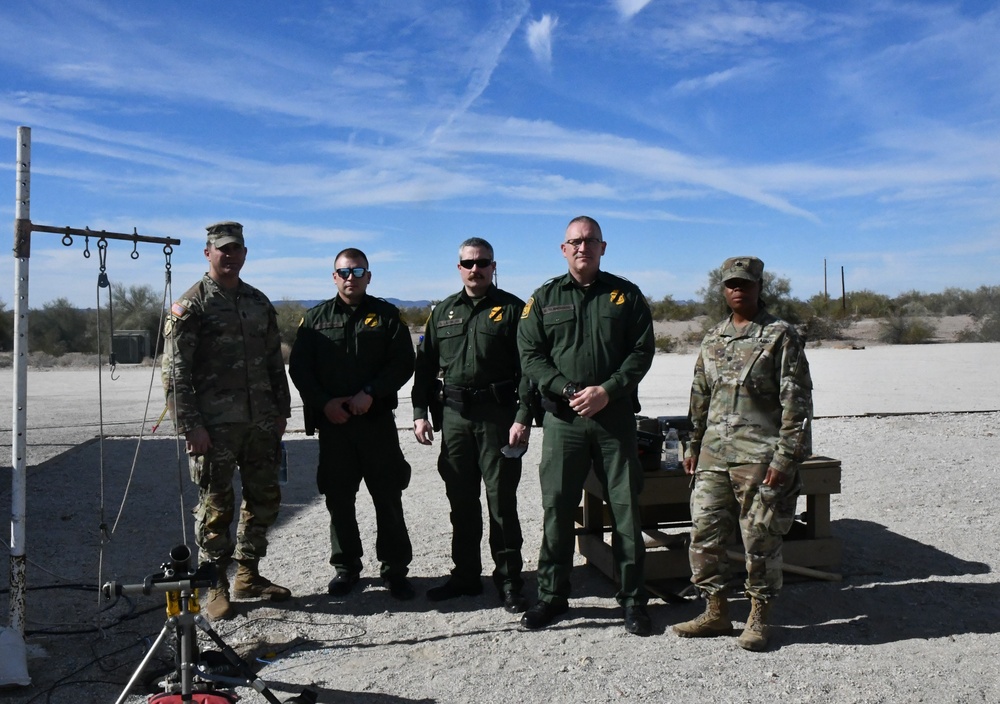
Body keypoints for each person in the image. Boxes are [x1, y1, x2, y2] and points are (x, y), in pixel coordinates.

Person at [516, 215, 655, 636]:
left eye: (590, 240)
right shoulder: (543, 298)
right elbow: (530, 354)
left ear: (603, 247)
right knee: (557, 509)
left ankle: (633, 600)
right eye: (574, 241)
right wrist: (566, 388)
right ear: (563, 249)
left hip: (613, 419)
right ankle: (553, 596)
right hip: (563, 420)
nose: (582, 247)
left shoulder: (625, 295)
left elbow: (641, 351)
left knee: (626, 511)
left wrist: (608, 391)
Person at [672, 256, 813, 651]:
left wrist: (785, 459)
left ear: (759, 287)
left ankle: (759, 616)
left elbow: (797, 404)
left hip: (760, 457)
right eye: (732, 284)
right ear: (723, 289)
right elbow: (699, 397)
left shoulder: (779, 335)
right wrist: (692, 445)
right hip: (714, 456)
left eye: (746, 284)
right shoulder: (713, 338)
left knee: (760, 538)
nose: (739, 290)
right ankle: (716, 612)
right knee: (704, 535)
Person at [162, 221, 292, 621]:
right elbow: (175, 371)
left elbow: (274, 361)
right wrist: (191, 426)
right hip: (214, 428)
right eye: (222, 249)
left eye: (236, 249)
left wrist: (282, 411)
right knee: (216, 506)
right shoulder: (193, 305)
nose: (229, 255)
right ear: (208, 253)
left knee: (265, 498)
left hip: (260, 422)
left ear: (244, 253)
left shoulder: (257, 302)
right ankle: (215, 583)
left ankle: (248, 575)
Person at [412, 238, 532, 614]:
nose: (475, 269)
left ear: (494, 266)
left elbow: (529, 369)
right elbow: (425, 366)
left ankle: (510, 580)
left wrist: (523, 416)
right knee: (461, 502)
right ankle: (465, 575)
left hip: (498, 418)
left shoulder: (514, 309)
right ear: (459, 267)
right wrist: (420, 412)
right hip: (455, 418)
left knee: (501, 503)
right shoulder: (443, 311)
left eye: (482, 263)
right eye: (468, 263)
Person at [288, 248, 417, 601]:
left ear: (368, 276)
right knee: (338, 499)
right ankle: (346, 568)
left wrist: (371, 393)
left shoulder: (387, 316)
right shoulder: (314, 319)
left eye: (358, 271)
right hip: (335, 426)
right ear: (334, 277)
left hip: (375, 423)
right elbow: (300, 369)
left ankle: (395, 570)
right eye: (344, 272)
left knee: (388, 496)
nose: (350, 278)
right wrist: (324, 404)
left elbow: (403, 362)